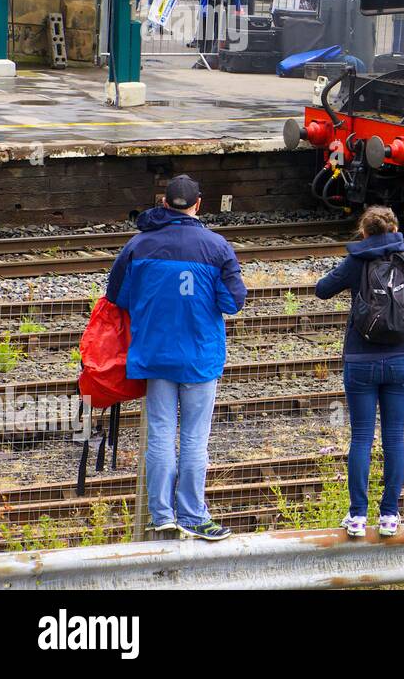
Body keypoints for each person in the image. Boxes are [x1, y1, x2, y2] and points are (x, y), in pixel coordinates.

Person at [105, 175, 247, 541]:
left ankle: (162, 514)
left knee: (161, 434)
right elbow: (233, 302)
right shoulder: (217, 247)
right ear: (198, 204)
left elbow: (117, 296)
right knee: (195, 440)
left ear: (165, 203)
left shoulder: (139, 244)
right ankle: (193, 516)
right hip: (200, 357)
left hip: (155, 354)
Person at [315, 206, 404, 538]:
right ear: (395, 228)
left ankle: (358, 517)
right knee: (394, 436)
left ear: (364, 233)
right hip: (401, 360)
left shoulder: (356, 262)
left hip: (361, 360)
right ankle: (390, 515)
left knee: (361, 437)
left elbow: (322, 289)